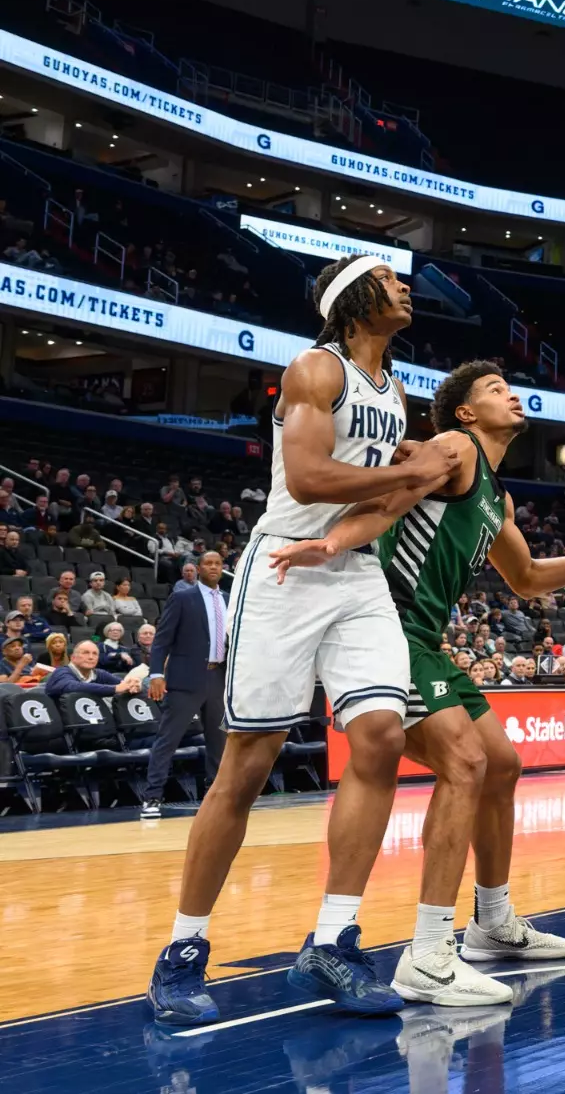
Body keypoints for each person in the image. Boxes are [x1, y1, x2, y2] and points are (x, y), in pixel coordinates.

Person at [267, 361, 565, 1005]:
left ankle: (494, 923)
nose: (513, 394)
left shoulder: (495, 494)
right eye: (495, 389)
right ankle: (427, 951)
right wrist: (333, 540)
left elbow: (528, 578)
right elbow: (387, 474)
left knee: (501, 763)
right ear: (468, 413)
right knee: (466, 760)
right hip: (386, 629)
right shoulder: (453, 447)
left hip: (428, 642)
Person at [147, 255, 463, 1027]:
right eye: (389, 276)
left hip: (351, 571)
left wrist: (400, 489)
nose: (405, 286)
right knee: (246, 766)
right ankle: (182, 950)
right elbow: (311, 476)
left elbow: (384, 497)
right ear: (353, 297)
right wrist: (410, 476)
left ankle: (332, 938)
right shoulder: (314, 369)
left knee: (382, 736)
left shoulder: (397, 388)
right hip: (284, 567)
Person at [138, 551, 233, 818]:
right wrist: (157, 673)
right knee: (168, 739)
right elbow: (162, 640)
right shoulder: (182, 597)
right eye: (208, 563)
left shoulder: (229, 599)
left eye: (217, 563)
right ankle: (152, 797)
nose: (213, 567)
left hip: (218, 677)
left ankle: (213, 797)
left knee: (219, 742)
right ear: (198, 568)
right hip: (185, 679)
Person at [42, 636, 141, 706]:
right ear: (73, 657)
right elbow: (72, 686)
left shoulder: (99, 673)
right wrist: (114, 689)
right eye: (85, 653)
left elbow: (122, 684)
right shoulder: (61, 672)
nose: (91, 657)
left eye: (95, 654)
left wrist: (134, 685)